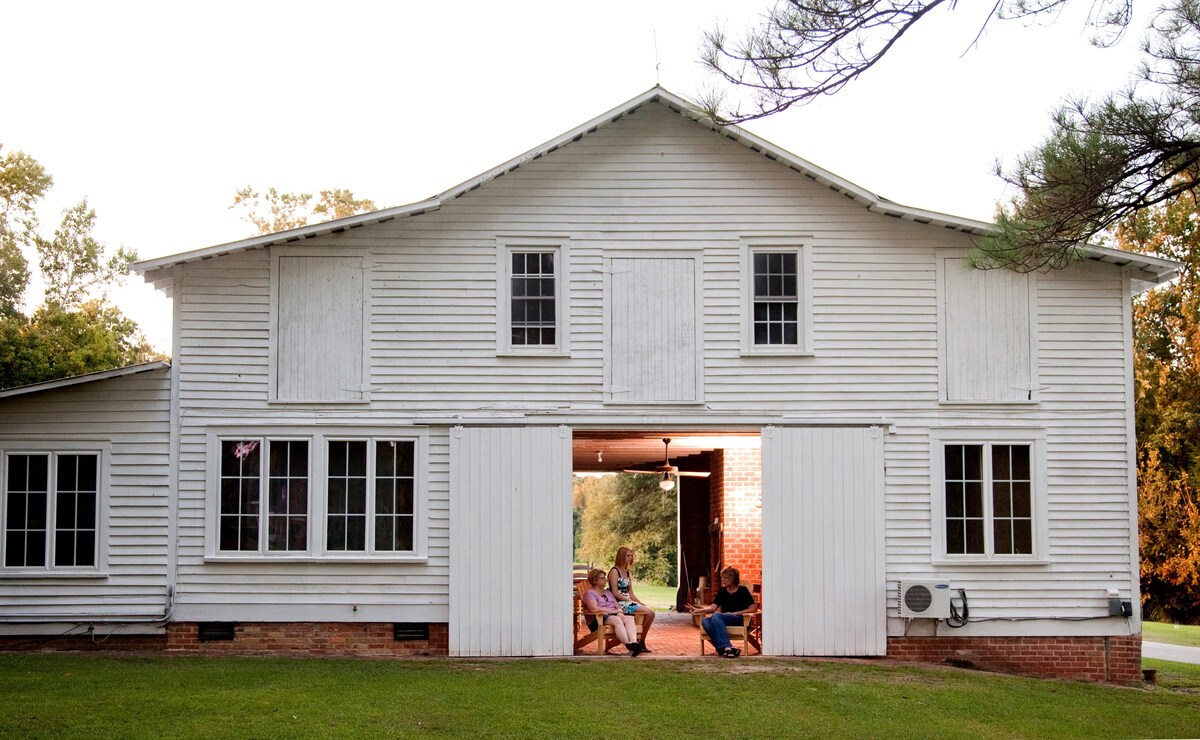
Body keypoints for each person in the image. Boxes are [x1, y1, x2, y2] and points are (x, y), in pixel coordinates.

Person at [687, 566, 755, 658]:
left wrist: (734, 613)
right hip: (723, 620)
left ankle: (723, 648)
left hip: (740, 619)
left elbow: (753, 608)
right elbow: (712, 608)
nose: (723, 580)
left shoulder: (743, 590)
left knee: (716, 616)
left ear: (733, 579)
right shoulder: (723, 591)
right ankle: (728, 648)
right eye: (722, 578)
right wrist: (698, 610)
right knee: (705, 621)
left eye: (726, 578)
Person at [581, 568, 642, 656]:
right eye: (602, 578)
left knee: (629, 618)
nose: (605, 580)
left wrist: (620, 612)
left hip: (612, 616)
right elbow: (594, 609)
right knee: (616, 619)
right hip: (597, 620)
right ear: (595, 580)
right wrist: (612, 612)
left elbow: (618, 607)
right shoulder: (589, 593)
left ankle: (634, 643)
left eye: (605, 577)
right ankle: (628, 645)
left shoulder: (608, 593)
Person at [608, 546, 656, 652]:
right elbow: (614, 592)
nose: (630, 558)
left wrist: (639, 602)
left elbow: (631, 593)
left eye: (631, 555)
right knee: (648, 612)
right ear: (621, 557)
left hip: (628, 602)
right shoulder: (614, 571)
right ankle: (639, 640)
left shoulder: (627, 572)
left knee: (651, 613)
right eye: (628, 555)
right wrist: (628, 600)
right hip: (619, 603)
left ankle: (641, 640)